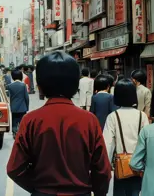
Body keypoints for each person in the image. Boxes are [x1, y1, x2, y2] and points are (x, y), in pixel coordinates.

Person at [7, 51, 111, 196]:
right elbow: (103, 170)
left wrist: (37, 188)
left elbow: (14, 168)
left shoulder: (31, 121)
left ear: (40, 85)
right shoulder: (89, 120)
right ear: (75, 84)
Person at [103, 78, 149, 196]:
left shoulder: (113, 117)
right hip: (139, 165)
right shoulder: (142, 116)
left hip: (121, 165)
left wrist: (105, 167)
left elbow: (107, 143)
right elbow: (147, 142)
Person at [7, 69, 29, 138]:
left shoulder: (9, 86)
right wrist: (27, 106)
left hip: (13, 107)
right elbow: (26, 97)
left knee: (14, 121)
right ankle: (21, 133)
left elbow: (8, 96)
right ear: (21, 76)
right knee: (22, 121)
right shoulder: (23, 85)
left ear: (13, 77)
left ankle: (14, 132)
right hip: (22, 107)